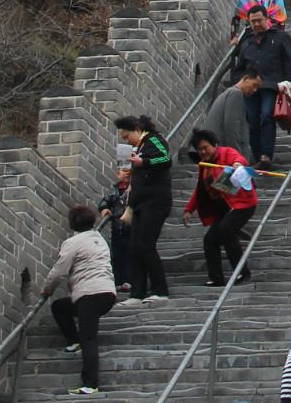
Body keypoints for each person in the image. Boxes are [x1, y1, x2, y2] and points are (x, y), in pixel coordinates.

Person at [42, 204, 116, 395]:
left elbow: (59, 271)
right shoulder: (99, 238)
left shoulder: (72, 243)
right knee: (60, 307)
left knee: (89, 339)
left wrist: (46, 290)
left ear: (71, 223)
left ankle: (91, 384)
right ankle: (73, 340)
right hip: (107, 293)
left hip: (89, 295)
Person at [226, 5, 291, 169]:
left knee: (266, 116)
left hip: (271, 85)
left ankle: (266, 154)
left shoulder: (280, 37)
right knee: (252, 119)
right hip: (250, 88)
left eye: (259, 20)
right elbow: (240, 66)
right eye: (253, 21)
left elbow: (289, 62)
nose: (256, 24)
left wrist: (290, 85)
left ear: (267, 19)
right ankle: (257, 155)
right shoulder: (247, 41)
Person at [185, 129, 258, 288]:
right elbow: (200, 190)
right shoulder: (204, 166)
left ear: (215, 144)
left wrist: (237, 165)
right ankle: (216, 277)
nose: (203, 152)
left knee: (226, 229)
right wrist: (189, 209)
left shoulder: (226, 153)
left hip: (242, 203)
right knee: (210, 240)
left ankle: (242, 272)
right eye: (200, 149)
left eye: (206, 147)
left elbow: (238, 159)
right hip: (224, 207)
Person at [112, 116, 172, 303]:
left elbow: (166, 158)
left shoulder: (153, 140)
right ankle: (137, 293)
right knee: (135, 247)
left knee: (146, 244)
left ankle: (160, 290)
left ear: (137, 129)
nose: (126, 140)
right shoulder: (139, 148)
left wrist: (143, 163)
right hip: (140, 202)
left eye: (126, 135)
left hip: (155, 201)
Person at [206, 68, 261, 172]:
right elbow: (231, 128)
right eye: (254, 85)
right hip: (225, 157)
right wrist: (237, 159)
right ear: (246, 78)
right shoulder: (236, 94)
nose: (255, 90)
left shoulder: (227, 93)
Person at [96, 161, 133, 292]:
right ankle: (118, 281)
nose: (127, 173)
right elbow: (104, 201)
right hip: (117, 228)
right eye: (124, 170)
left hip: (131, 228)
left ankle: (129, 280)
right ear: (118, 174)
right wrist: (104, 209)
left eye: (129, 170)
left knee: (130, 255)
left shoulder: (135, 188)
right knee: (117, 256)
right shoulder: (115, 190)